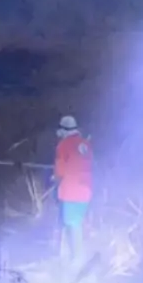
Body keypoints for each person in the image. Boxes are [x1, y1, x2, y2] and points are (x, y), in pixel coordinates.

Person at [51, 114, 94, 267]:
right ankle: (75, 256)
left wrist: (55, 181)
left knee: (71, 224)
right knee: (79, 223)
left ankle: (75, 260)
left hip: (70, 191)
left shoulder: (63, 146)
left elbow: (60, 171)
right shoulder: (86, 145)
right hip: (86, 191)